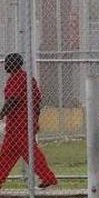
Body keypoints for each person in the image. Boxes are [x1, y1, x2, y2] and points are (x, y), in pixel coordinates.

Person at [0, 53, 57, 189]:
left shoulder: (17, 79)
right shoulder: (27, 78)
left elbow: (12, 100)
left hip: (19, 123)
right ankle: (48, 178)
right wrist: (35, 120)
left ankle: (48, 178)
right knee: (8, 153)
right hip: (23, 122)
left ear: (13, 64)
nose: (5, 65)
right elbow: (37, 102)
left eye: (7, 63)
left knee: (29, 153)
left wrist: (1, 114)